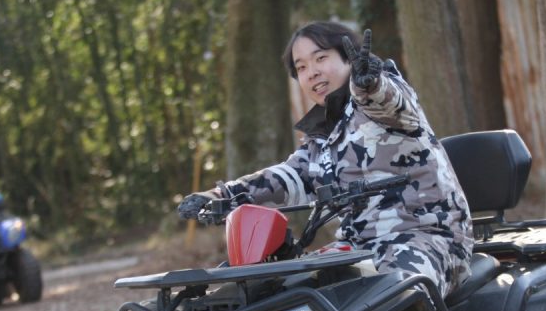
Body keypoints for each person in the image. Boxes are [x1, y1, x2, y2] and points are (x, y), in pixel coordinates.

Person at [178, 22, 472, 296]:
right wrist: (220, 196)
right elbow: (287, 177)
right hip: (357, 248)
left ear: (348, 60)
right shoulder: (320, 138)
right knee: (282, 293)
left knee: (395, 296)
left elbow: (389, 101)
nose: (312, 73)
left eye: (320, 58)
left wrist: (370, 84)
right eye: (301, 67)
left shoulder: (382, 100)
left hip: (427, 238)